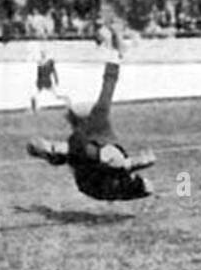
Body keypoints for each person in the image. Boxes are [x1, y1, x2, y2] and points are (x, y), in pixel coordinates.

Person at [27, 54, 156, 201]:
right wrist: (138, 162)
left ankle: (52, 151)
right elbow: (118, 166)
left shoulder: (90, 126)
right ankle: (53, 151)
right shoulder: (94, 123)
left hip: (92, 181)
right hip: (95, 178)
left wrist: (139, 162)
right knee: (102, 155)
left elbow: (108, 86)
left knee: (96, 154)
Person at [30, 48, 69, 114]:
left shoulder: (46, 63)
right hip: (43, 83)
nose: (42, 55)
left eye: (43, 53)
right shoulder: (43, 62)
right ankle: (34, 110)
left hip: (45, 83)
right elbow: (41, 72)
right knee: (34, 96)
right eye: (42, 53)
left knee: (56, 95)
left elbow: (53, 72)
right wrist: (56, 80)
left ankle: (67, 100)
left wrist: (56, 80)